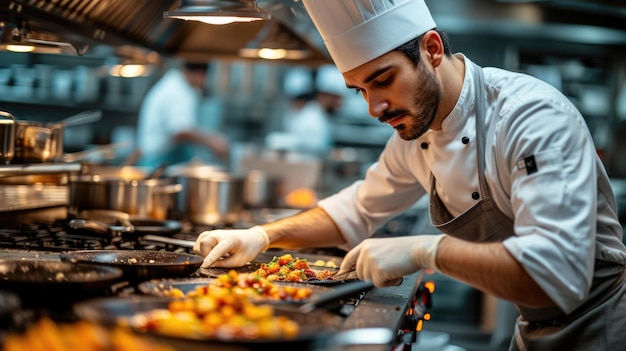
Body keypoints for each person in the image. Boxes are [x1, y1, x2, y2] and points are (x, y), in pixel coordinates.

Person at [192, 1, 626, 350]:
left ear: (432, 50)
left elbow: (558, 276)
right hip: (532, 325)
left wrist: (425, 251)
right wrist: (263, 236)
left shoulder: (530, 117)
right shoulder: (414, 132)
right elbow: (357, 209)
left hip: (602, 327)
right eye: (361, 90)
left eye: (383, 80)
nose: (373, 108)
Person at [135, 60, 229, 169]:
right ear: (200, 75)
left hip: (160, 158)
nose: (204, 83)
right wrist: (213, 142)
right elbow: (180, 131)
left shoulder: (175, 83)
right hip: (158, 162)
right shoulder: (179, 91)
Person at [265, 64, 347, 155]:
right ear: (326, 95)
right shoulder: (311, 119)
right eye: (337, 98)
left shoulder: (319, 116)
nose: (340, 103)